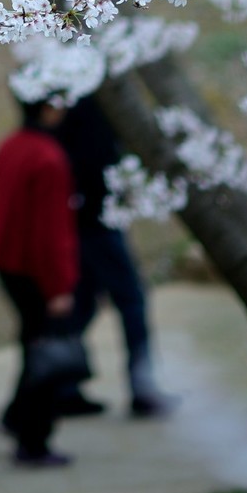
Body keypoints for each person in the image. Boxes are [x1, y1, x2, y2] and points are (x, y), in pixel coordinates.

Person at [57, 93, 175, 418]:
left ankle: (61, 385)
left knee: (83, 303)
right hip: (95, 216)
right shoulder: (86, 90)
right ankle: (142, 387)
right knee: (130, 300)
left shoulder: (74, 84)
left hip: (84, 213)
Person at [0, 93, 80, 467]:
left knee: (31, 344)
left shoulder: (9, 147)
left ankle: (16, 416)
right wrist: (59, 287)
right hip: (35, 271)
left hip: (8, 264)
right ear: (50, 107)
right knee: (45, 356)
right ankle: (33, 440)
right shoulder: (49, 158)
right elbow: (51, 231)